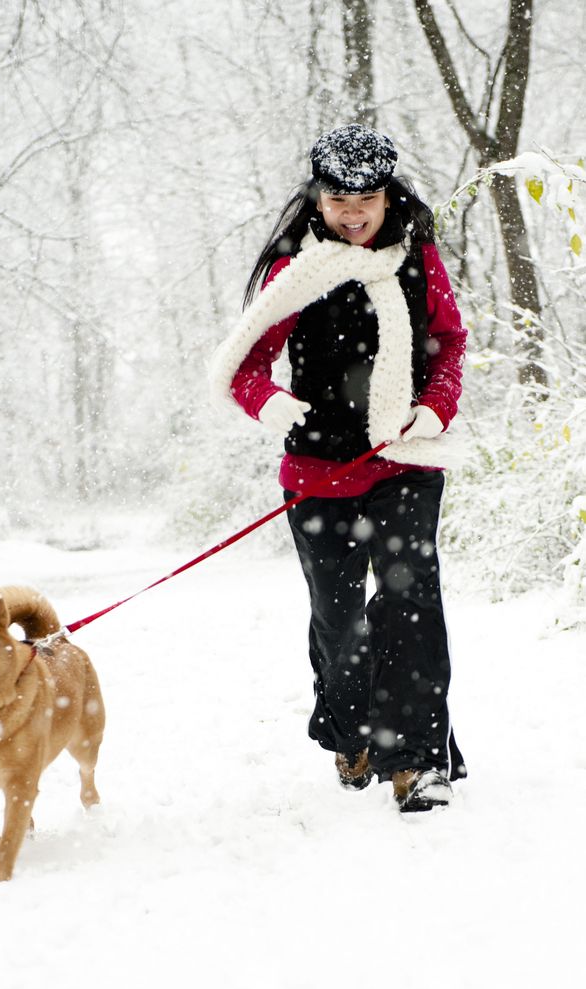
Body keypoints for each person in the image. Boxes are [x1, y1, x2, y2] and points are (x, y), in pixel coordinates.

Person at [209, 123, 467, 813]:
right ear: (317, 198)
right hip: (318, 473)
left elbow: (449, 344)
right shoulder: (293, 269)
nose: (354, 214)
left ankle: (416, 758)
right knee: (340, 619)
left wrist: (436, 409)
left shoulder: (417, 258)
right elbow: (244, 364)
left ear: (387, 198)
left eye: (368, 200)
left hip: (404, 461)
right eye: (339, 200)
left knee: (410, 607)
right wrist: (268, 405)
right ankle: (353, 733)